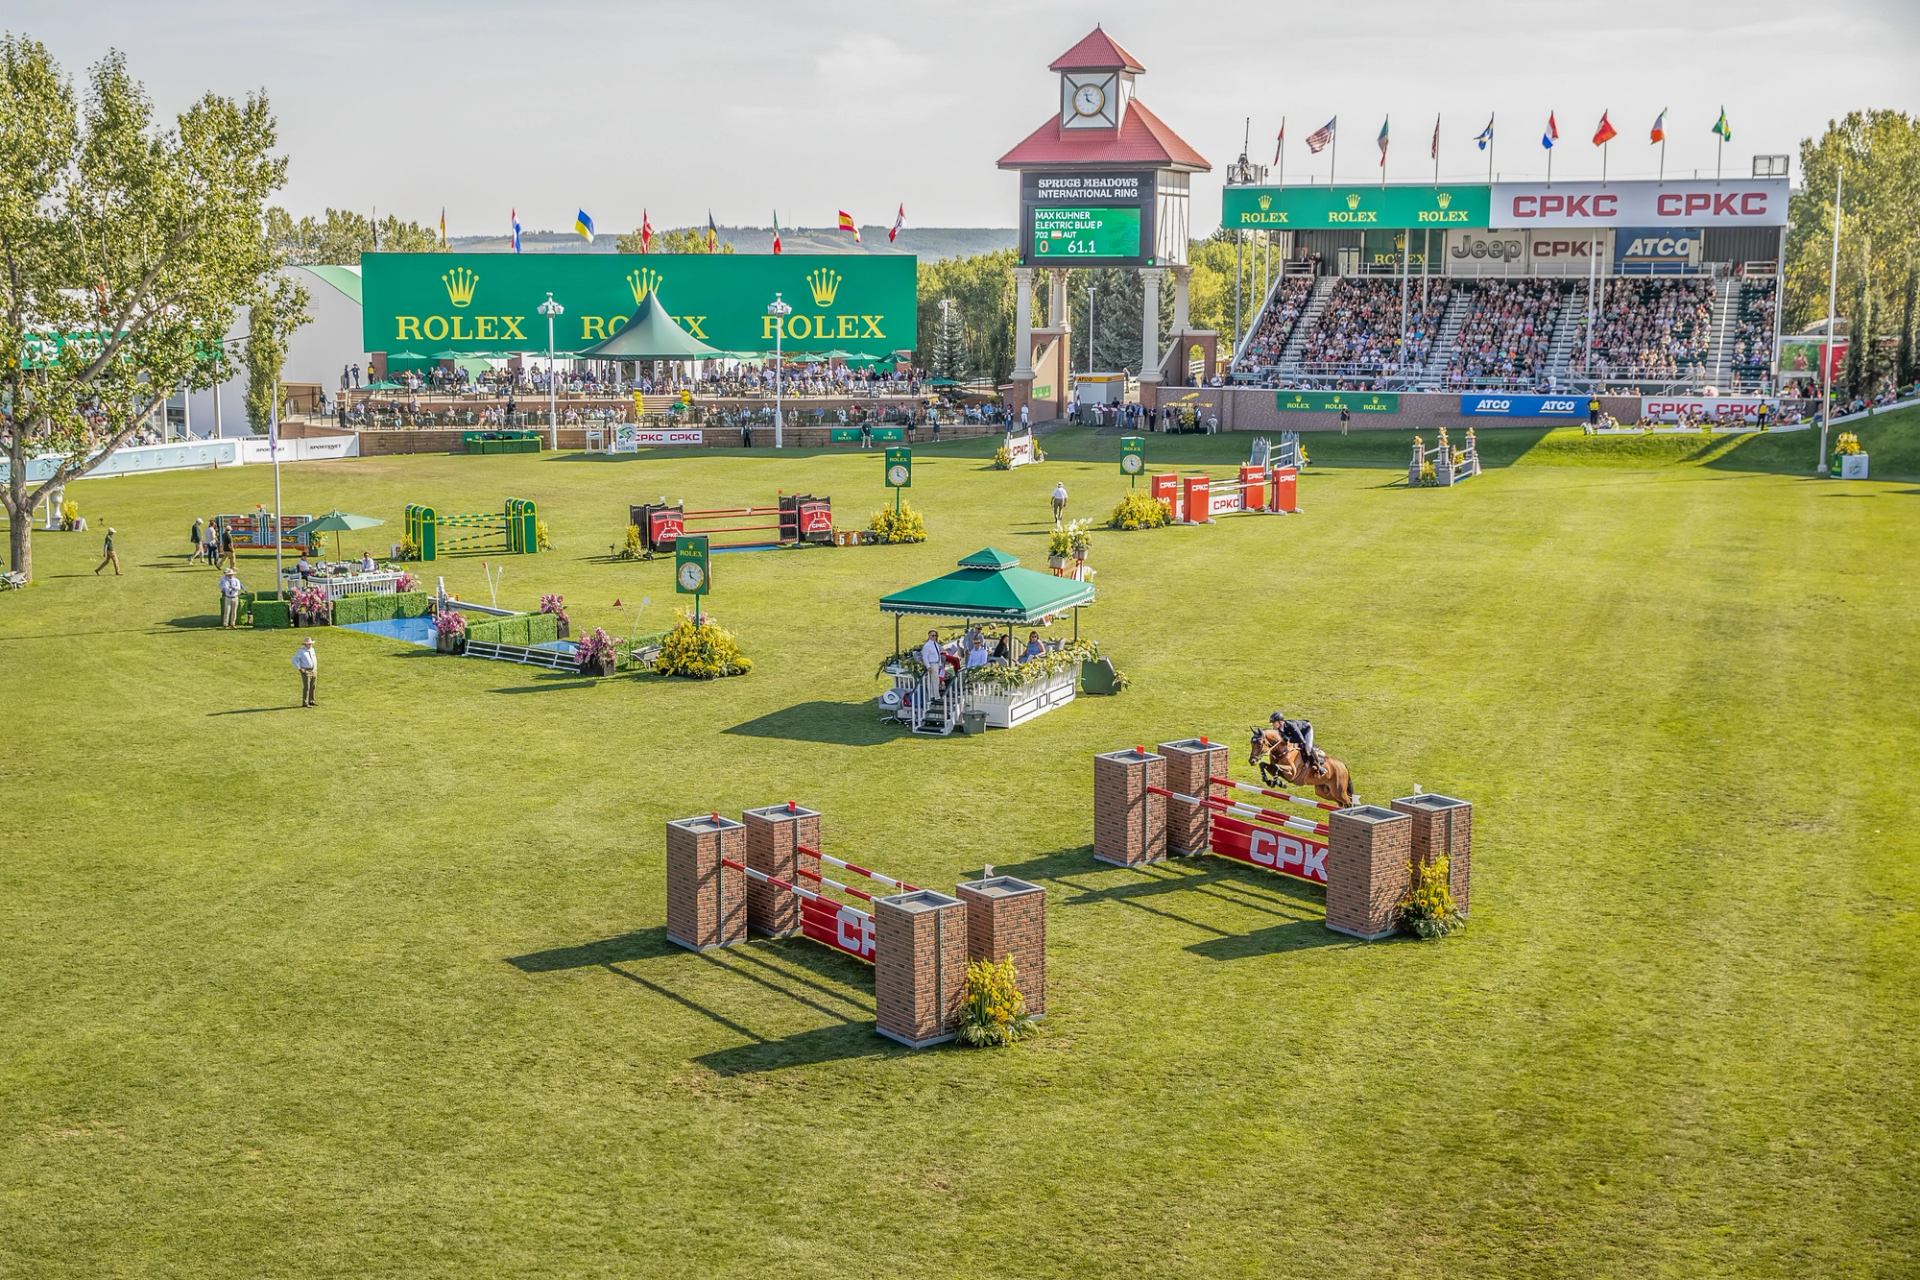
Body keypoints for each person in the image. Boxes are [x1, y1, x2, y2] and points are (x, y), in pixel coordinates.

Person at [293, 637, 318, 707]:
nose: (310, 645)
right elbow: (294, 660)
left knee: (313, 686)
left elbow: (314, 659)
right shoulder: (301, 651)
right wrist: (300, 668)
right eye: (309, 644)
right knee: (307, 687)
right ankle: (305, 702)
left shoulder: (312, 650)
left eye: (311, 644)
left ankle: (311, 701)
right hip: (306, 670)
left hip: (313, 670)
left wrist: (315, 668)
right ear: (305, 644)